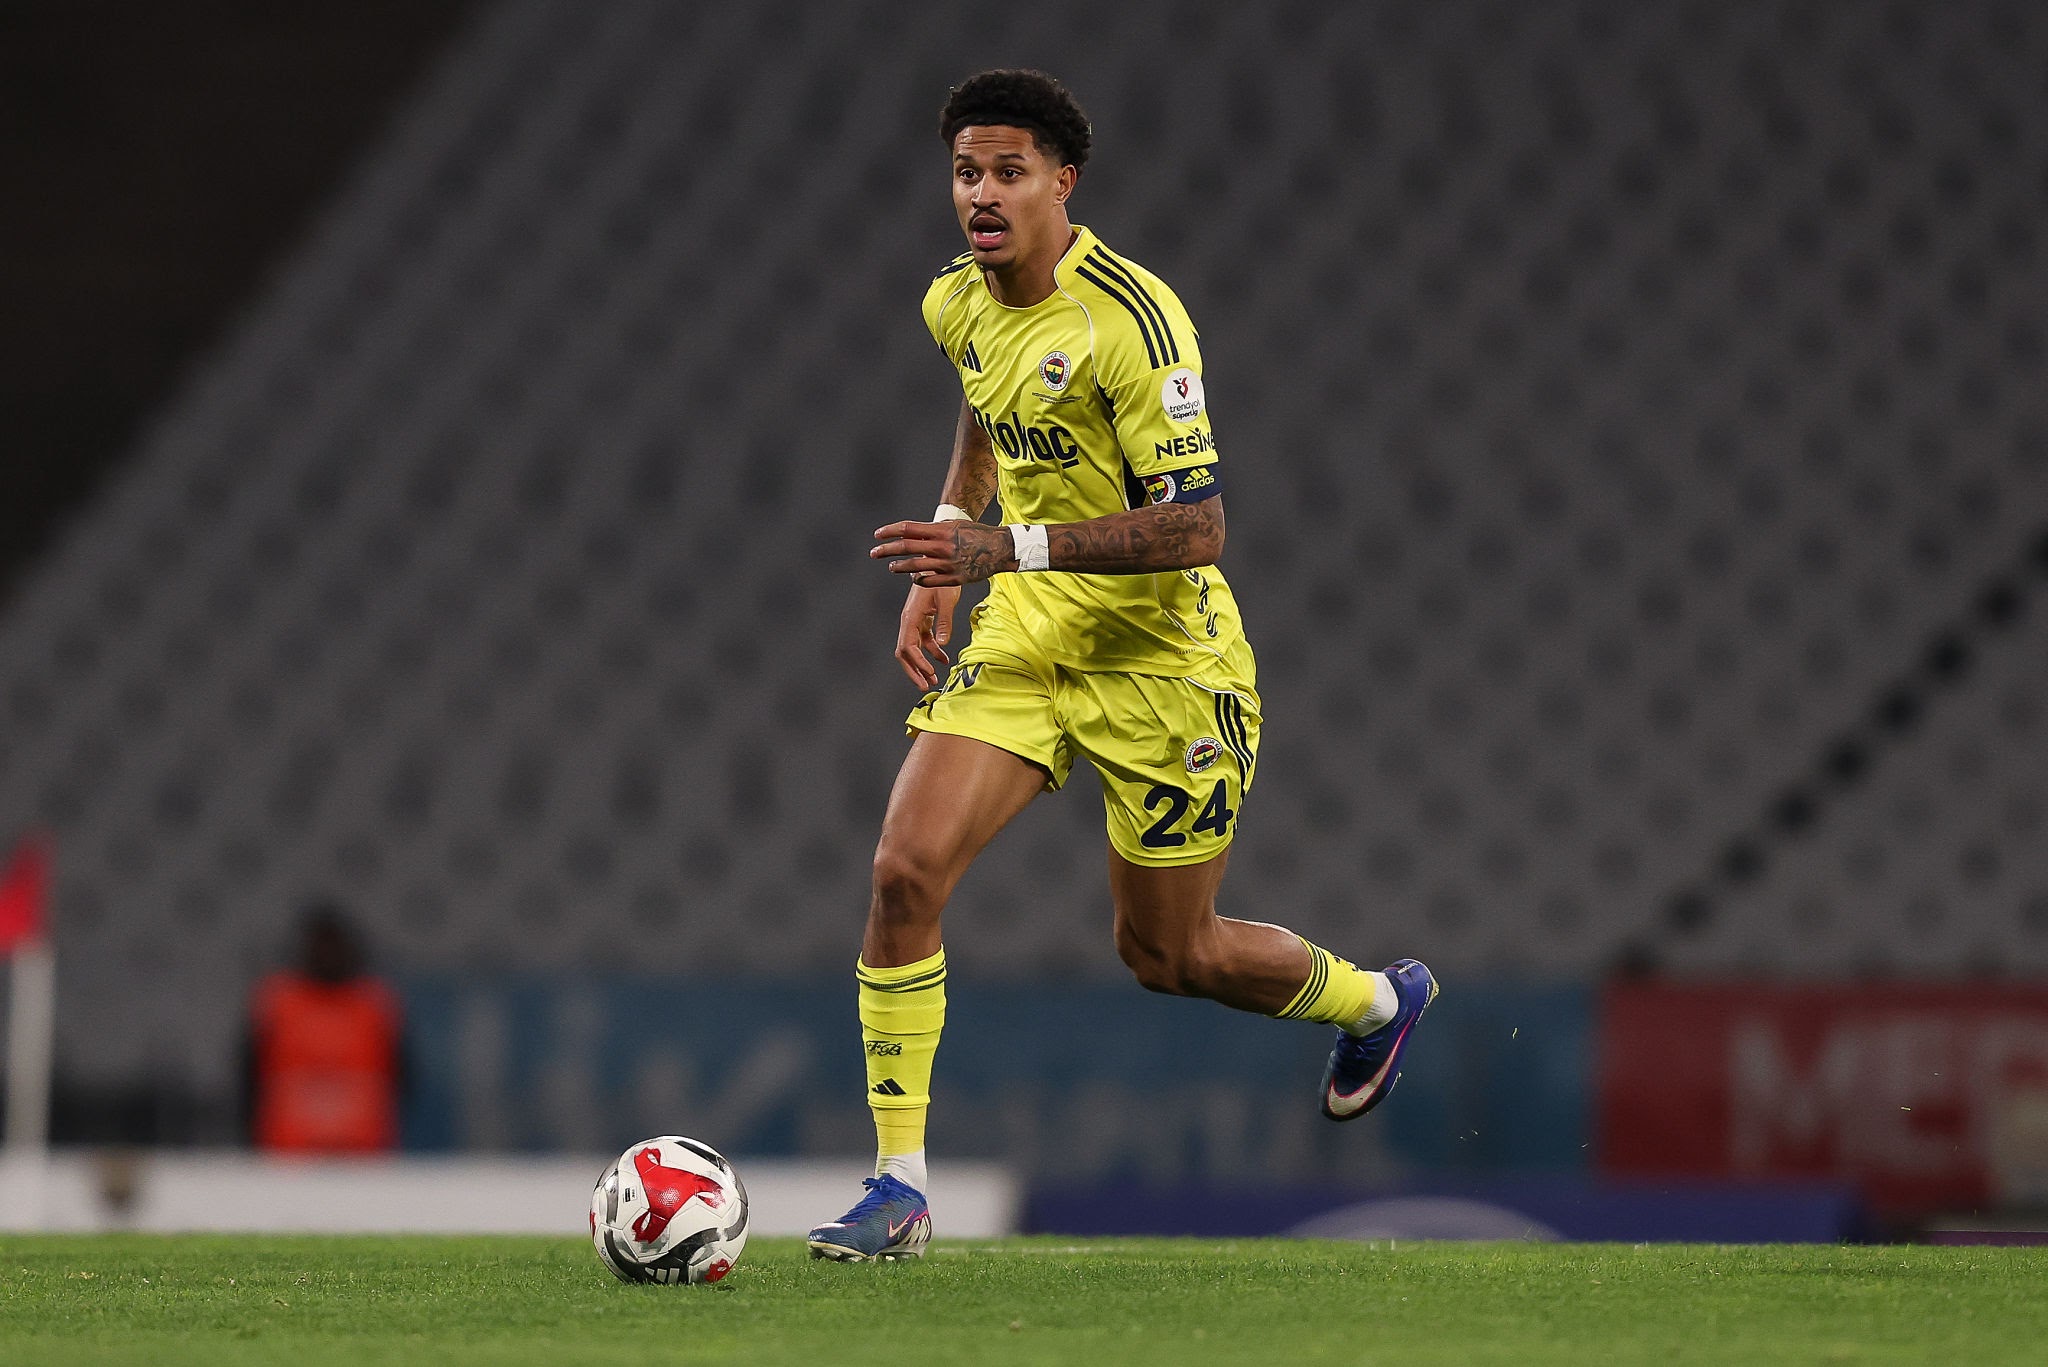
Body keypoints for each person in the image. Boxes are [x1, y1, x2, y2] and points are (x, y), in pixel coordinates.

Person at [806, 70, 1436, 1261]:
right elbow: (987, 404)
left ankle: (1376, 998)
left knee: (1168, 954)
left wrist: (1001, 546)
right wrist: (952, 544)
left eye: (1007, 173)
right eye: (964, 173)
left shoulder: (1134, 324)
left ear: (1062, 182)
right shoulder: (956, 301)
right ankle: (898, 1185)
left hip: (1163, 661)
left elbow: (1199, 525)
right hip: (1031, 632)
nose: (980, 195)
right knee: (902, 871)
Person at [244, 903, 406, 1153]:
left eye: (335, 946)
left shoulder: (375, 1004)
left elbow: (402, 1079)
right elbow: (249, 1079)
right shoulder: (277, 1002)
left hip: (363, 1152)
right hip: (288, 1153)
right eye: (321, 945)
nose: (328, 954)